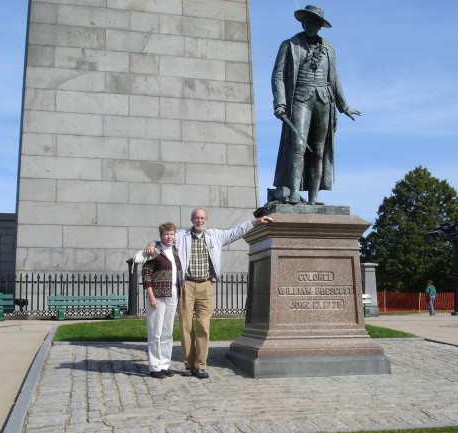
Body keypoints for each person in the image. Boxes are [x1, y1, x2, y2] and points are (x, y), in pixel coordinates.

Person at [145, 209, 273, 379]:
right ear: (192, 219)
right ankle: (189, 364)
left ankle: (200, 365)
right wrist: (152, 243)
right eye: (197, 218)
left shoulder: (215, 236)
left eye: (202, 218)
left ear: (207, 220)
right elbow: (166, 238)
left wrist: (254, 222)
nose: (199, 221)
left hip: (206, 285)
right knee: (185, 327)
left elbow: (235, 233)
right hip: (187, 285)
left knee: (203, 327)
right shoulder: (182, 236)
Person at [271, 5, 361, 205]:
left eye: (314, 22)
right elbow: (278, 76)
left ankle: (313, 198)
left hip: (323, 100)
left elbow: (334, 78)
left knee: (319, 151)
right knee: (299, 146)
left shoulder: (329, 48)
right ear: (303, 22)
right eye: (307, 21)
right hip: (300, 98)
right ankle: (294, 193)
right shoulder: (290, 45)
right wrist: (280, 102)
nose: (310, 25)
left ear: (320, 26)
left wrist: (343, 105)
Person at [141, 222, 183, 378]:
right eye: (166, 234)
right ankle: (155, 366)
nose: (169, 236)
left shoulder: (176, 251)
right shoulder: (155, 251)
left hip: (172, 293)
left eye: (171, 233)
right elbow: (146, 274)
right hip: (157, 295)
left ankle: (164, 364)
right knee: (155, 332)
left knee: (167, 332)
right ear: (161, 236)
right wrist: (150, 295)